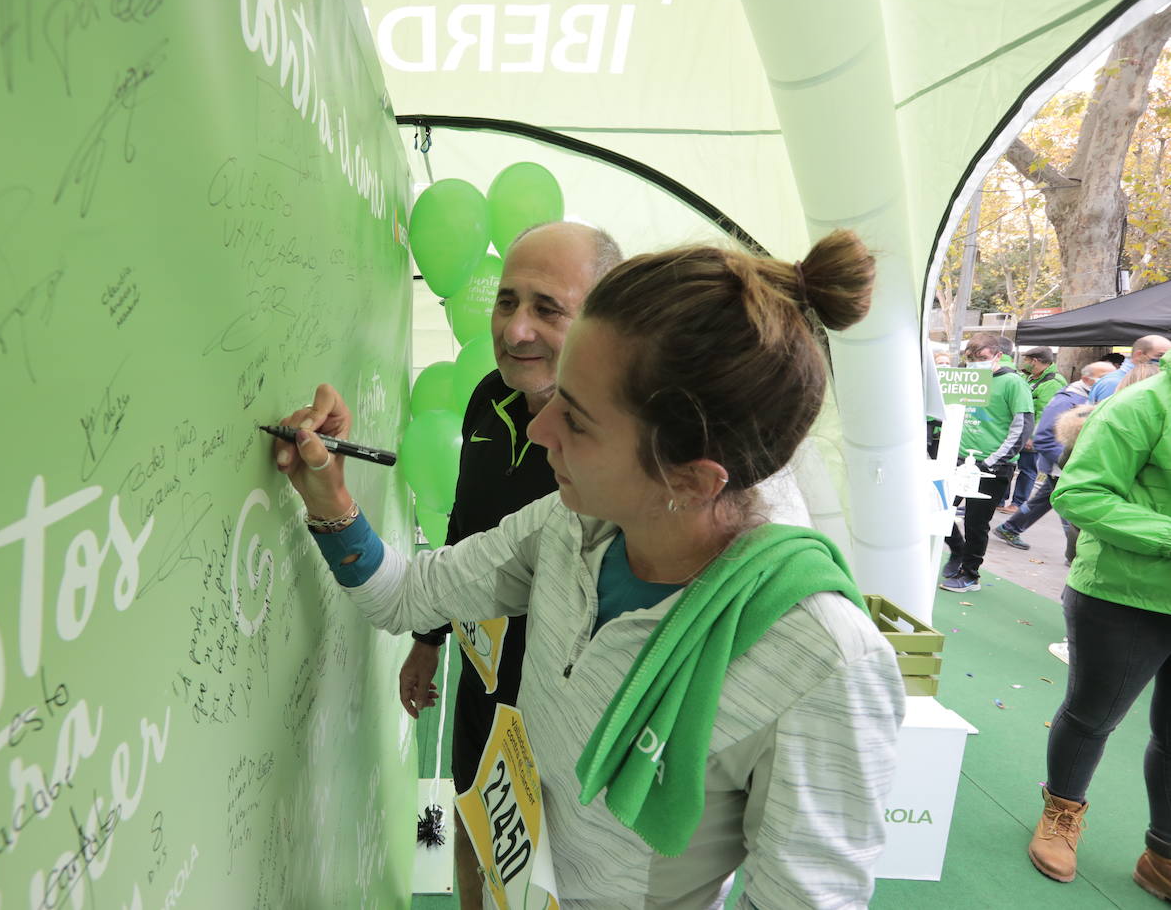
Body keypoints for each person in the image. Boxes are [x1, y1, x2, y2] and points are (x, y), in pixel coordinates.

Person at [273, 232, 906, 908]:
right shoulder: (574, 524)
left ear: (690, 481)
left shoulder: (821, 663)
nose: (541, 433)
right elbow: (406, 596)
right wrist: (328, 498)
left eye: (576, 420)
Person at [397, 220, 621, 909]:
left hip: (571, 711)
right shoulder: (486, 398)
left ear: (605, 318)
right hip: (483, 684)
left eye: (547, 308)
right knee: (475, 839)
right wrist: (427, 643)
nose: (516, 329)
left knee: (549, 884)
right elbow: (463, 530)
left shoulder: (631, 439)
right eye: (506, 301)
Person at [1030, 356, 1171, 899]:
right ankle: (1060, 814)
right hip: (1122, 594)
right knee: (1094, 716)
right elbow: (1078, 493)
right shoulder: (1141, 404)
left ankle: (1163, 853)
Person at [939, 333, 1034, 593]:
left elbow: (1022, 426)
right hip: (956, 460)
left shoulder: (1013, 383)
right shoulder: (964, 379)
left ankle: (970, 574)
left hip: (991, 467)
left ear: (997, 355)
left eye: (981, 358)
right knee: (938, 511)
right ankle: (958, 552)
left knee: (976, 523)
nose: (975, 363)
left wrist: (991, 462)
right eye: (971, 358)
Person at [991, 361, 1114, 552]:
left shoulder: (1092, 397)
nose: (1112, 381)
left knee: (1044, 500)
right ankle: (1076, 554)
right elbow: (1044, 436)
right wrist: (1067, 461)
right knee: (1071, 510)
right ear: (1087, 378)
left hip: (1065, 466)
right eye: (1106, 376)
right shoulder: (1067, 399)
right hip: (1062, 467)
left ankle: (1009, 528)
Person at [1001, 347, 1062, 513]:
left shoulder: (1052, 382)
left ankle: (1018, 503)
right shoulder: (1029, 377)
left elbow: (1046, 413)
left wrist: (1033, 437)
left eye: (1026, 359)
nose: (1024, 362)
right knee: (1007, 463)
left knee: (1027, 468)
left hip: (1032, 434)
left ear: (1034, 361)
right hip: (1018, 430)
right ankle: (1001, 499)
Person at [1088, 334, 1170, 402]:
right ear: (1139, 354)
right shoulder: (1113, 383)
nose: (1165, 360)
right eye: (1160, 355)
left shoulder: (1153, 378)